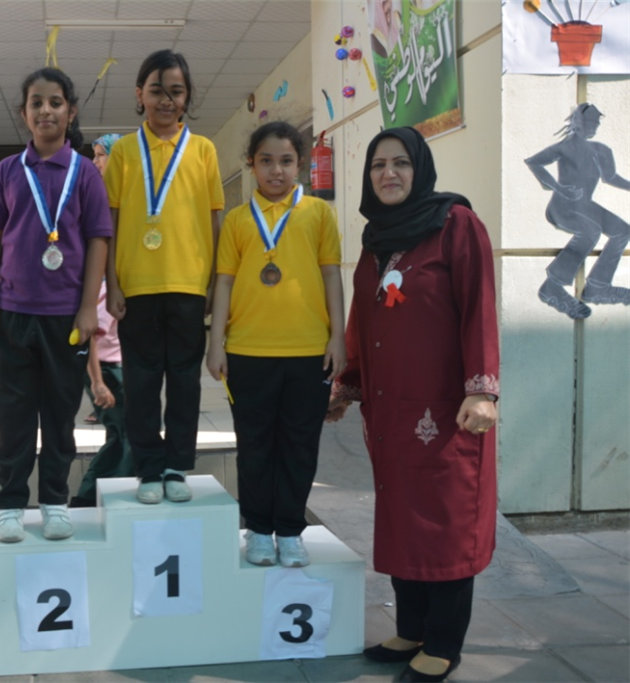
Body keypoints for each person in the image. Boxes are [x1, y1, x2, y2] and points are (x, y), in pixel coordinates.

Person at [327, 127, 499, 683]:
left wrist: (482, 388)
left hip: (446, 410)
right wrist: (348, 385)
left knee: (445, 521)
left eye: (400, 163)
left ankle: (444, 643)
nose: (389, 174)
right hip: (391, 409)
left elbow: (479, 307)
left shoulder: (456, 225)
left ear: (420, 168)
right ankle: (413, 628)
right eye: (378, 165)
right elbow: (363, 319)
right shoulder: (376, 239)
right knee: (402, 516)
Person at [0, 67, 110, 544]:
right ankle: (11, 504)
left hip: (65, 319)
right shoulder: (8, 171)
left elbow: (98, 240)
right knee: (12, 414)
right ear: (24, 113)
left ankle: (55, 501)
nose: (46, 110)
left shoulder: (85, 172)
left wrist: (89, 307)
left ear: (70, 112)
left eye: (56, 102)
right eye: (36, 102)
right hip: (13, 313)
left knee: (59, 414)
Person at [206, 121, 345, 569]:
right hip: (248, 352)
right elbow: (223, 283)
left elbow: (331, 276)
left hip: (309, 352)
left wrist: (338, 337)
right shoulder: (237, 220)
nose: (276, 171)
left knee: (300, 446)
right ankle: (259, 530)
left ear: (299, 164)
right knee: (254, 447)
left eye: (285, 161)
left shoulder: (318, 214)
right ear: (251, 164)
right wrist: (216, 342)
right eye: (266, 161)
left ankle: (289, 530)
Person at [104, 49, 224, 505]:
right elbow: (110, 224)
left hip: (189, 285)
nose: (166, 100)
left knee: (185, 382)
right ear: (140, 94)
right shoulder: (123, 152)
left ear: (187, 96)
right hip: (136, 287)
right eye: (157, 91)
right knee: (140, 383)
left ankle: (176, 465)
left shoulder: (203, 150)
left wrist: (213, 283)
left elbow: (214, 220)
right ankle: (148, 468)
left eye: (176, 91)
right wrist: (113, 284)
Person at [525, 103, 630, 319]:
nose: (594, 126)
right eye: (590, 122)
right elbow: (534, 162)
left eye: (596, 123)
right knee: (590, 231)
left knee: (622, 230)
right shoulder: (564, 148)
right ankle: (552, 286)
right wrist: (558, 187)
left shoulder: (601, 150)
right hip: (562, 207)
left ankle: (598, 286)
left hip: (586, 206)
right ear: (577, 123)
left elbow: (610, 177)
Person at [70, 279, 133, 508]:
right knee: (128, 433)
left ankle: (93, 495)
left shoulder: (112, 288)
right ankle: (92, 495)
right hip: (108, 370)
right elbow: (90, 336)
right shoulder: (108, 292)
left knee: (121, 433)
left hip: (113, 368)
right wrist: (98, 382)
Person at [83, 133, 123, 426]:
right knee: (97, 333)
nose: (95, 161)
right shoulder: (91, 194)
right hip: (97, 280)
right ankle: (102, 395)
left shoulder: (130, 196)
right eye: (94, 155)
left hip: (120, 279)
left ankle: (110, 400)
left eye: (100, 155)